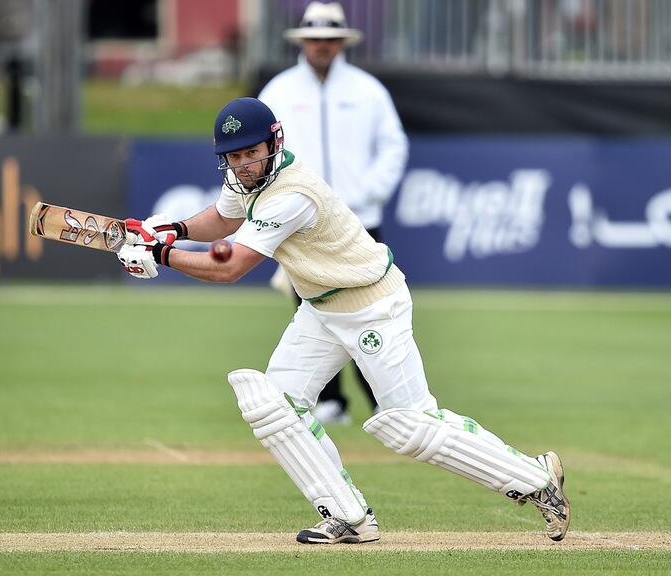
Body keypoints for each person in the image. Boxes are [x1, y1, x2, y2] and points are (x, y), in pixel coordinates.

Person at [117, 97, 569, 544]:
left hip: (372, 305)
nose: (244, 165)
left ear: (274, 143)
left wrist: (161, 254)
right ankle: (349, 515)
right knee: (274, 405)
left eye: (252, 153)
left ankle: (536, 477)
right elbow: (221, 218)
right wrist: (173, 230)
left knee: (410, 425)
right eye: (234, 158)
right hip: (321, 306)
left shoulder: (291, 196)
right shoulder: (244, 181)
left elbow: (232, 267)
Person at [258, 1, 409, 426]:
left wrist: (369, 192)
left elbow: (393, 146)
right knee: (311, 303)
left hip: (358, 218)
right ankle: (330, 401)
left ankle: (384, 401)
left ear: (342, 41)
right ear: (303, 42)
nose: (322, 47)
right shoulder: (280, 91)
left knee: (369, 305)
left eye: (329, 39)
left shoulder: (367, 90)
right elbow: (263, 153)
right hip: (301, 220)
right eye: (314, 39)